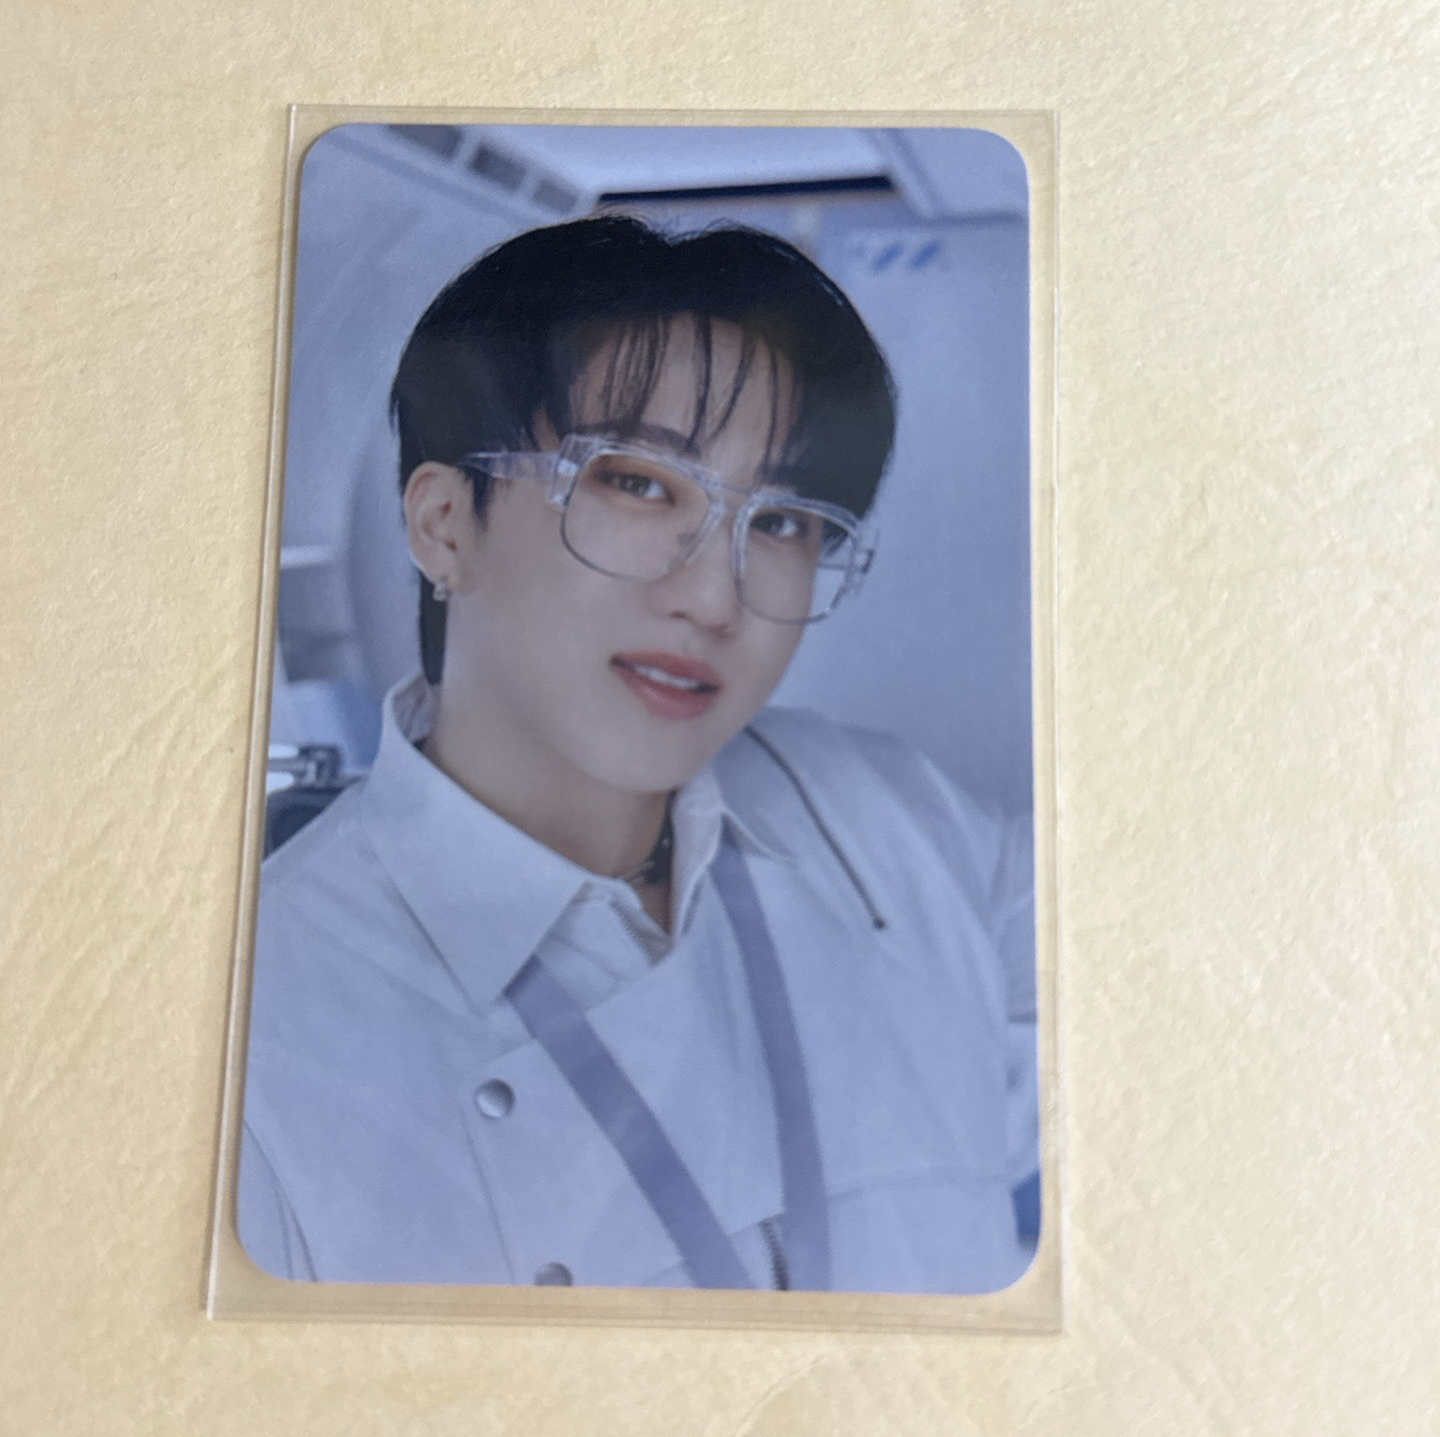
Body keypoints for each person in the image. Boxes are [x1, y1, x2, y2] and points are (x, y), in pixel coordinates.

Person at [238, 214, 1038, 1293]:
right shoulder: (264, 1036)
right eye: (639, 483)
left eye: (783, 521)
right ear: (444, 526)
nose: (715, 597)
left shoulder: (883, 816)